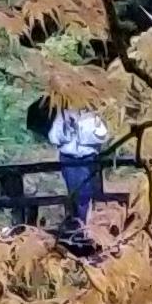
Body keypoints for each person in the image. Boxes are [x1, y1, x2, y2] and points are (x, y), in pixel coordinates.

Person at [36, 97, 111, 229]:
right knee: (77, 193)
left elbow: (102, 136)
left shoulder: (92, 114)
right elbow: (55, 138)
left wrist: (82, 129)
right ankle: (80, 225)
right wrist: (67, 129)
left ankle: (91, 225)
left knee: (90, 192)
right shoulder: (62, 115)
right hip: (70, 158)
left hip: (89, 157)